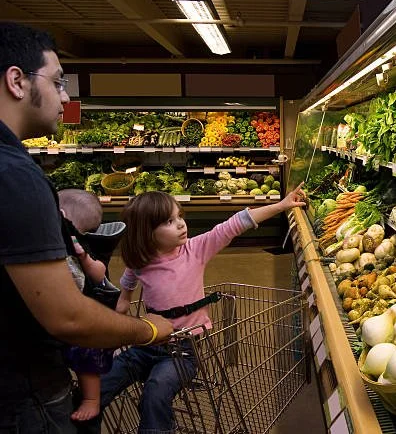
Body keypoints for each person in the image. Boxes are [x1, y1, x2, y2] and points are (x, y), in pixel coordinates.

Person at [0, 22, 174, 434]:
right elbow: (68, 318)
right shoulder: (15, 176)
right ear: (17, 81)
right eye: (58, 82)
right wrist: (150, 328)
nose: (65, 97)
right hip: (21, 396)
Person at [100, 186, 306, 432]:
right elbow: (129, 276)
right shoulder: (142, 260)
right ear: (147, 233)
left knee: (155, 392)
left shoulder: (194, 250)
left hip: (184, 351)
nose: (180, 224)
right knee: (105, 379)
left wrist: (281, 206)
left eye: (180, 216)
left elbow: (233, 225)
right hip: (148, 343)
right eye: (169, 221)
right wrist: (124, 299)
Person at [58, 189, 118, 422]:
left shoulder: (81, 243)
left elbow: (100, 272)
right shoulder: (63, 238)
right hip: (71, 310)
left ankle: (92, 400)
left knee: (86, 358)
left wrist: (84, 258)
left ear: (63, 215)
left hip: (89, 317)